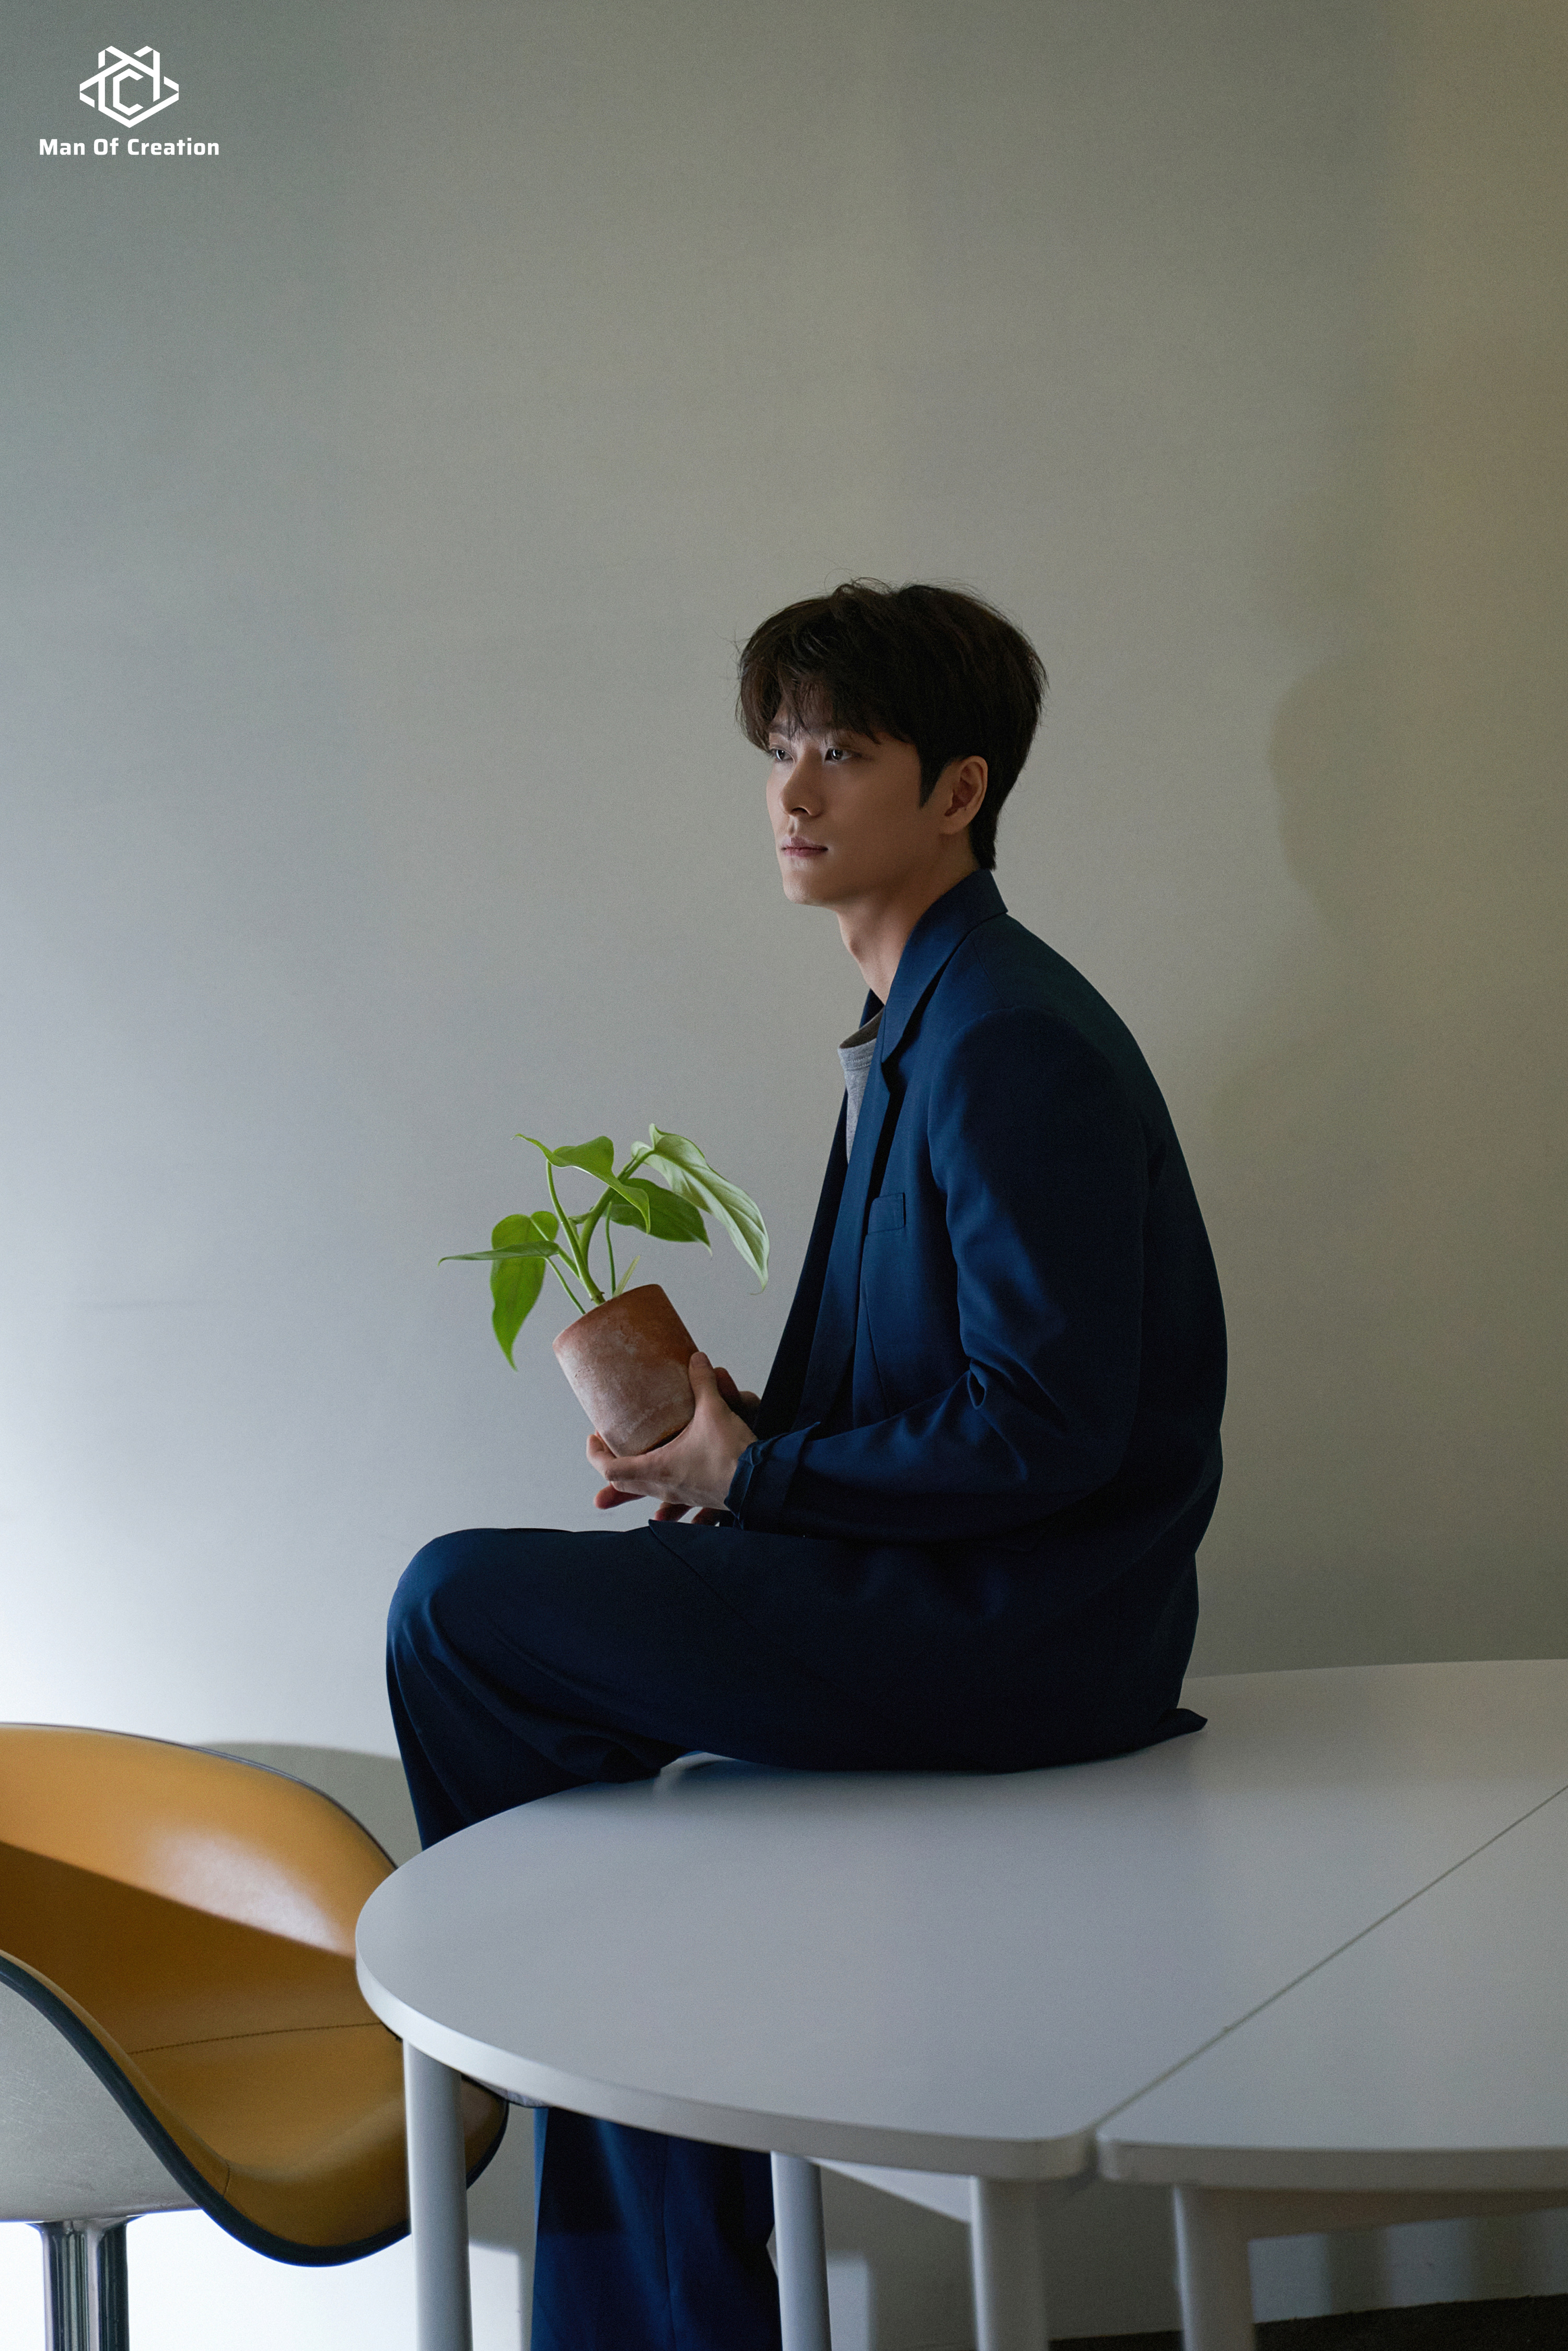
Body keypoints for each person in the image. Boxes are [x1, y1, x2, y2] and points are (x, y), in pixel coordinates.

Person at [387, 579, 1226, 2350]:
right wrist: (729, 1438)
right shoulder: (918, 1024)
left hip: (1014, 1630)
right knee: (608, 1883)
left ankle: (553, 2071)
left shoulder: (1004, 1038)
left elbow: (1045, 1423)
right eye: (780, 749)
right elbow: (914, 1390)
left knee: (459, 1610)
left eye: (843, 751)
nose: (792, 790)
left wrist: (754, 1484)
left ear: (959, 790)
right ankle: (617, 2114)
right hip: (926, 1588)